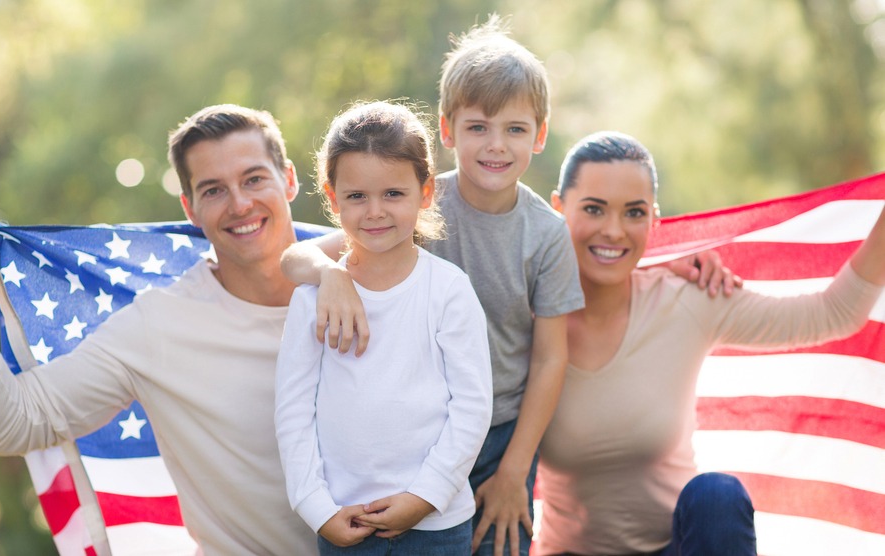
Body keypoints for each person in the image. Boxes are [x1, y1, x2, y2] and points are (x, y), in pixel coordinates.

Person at [279, 16, 735, 556]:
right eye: (478, 127)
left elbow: (548, 360)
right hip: (418, 434)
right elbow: (297, 257)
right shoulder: (411, 203)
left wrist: (516, 470)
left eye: (515, 129)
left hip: (501, 437)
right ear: (448, 131)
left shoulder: (545, 235)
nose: (495, 145)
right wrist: (330, 275)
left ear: (539, 135)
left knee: (500, 542)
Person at [0, 104, 317, 555]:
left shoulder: (368, 279)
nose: (240, 204)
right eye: (214, 190)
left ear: (290, 179)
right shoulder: (158, 325)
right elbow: (17, 422)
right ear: (190, 208)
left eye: (254, 179)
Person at [535, 131, 885, 556]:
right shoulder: (526, 316)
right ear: (558, 209)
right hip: (567, 552)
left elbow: (833, 313)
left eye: (633, 213)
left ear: (654, 221)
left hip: (677, 547)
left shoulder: (687, 298)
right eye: (594, 209)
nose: (614, 230)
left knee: (717, 495)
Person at [275, 100, 493, 555]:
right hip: (343, 521)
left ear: (426, 192)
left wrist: (424, 497)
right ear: (333, 199)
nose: (375, 211)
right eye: (356, 196)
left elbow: (471, 409)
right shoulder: (312, 298)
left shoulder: (449, 290)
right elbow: (293, 411)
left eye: (393, 193)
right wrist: (316, 507)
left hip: (437, 523)